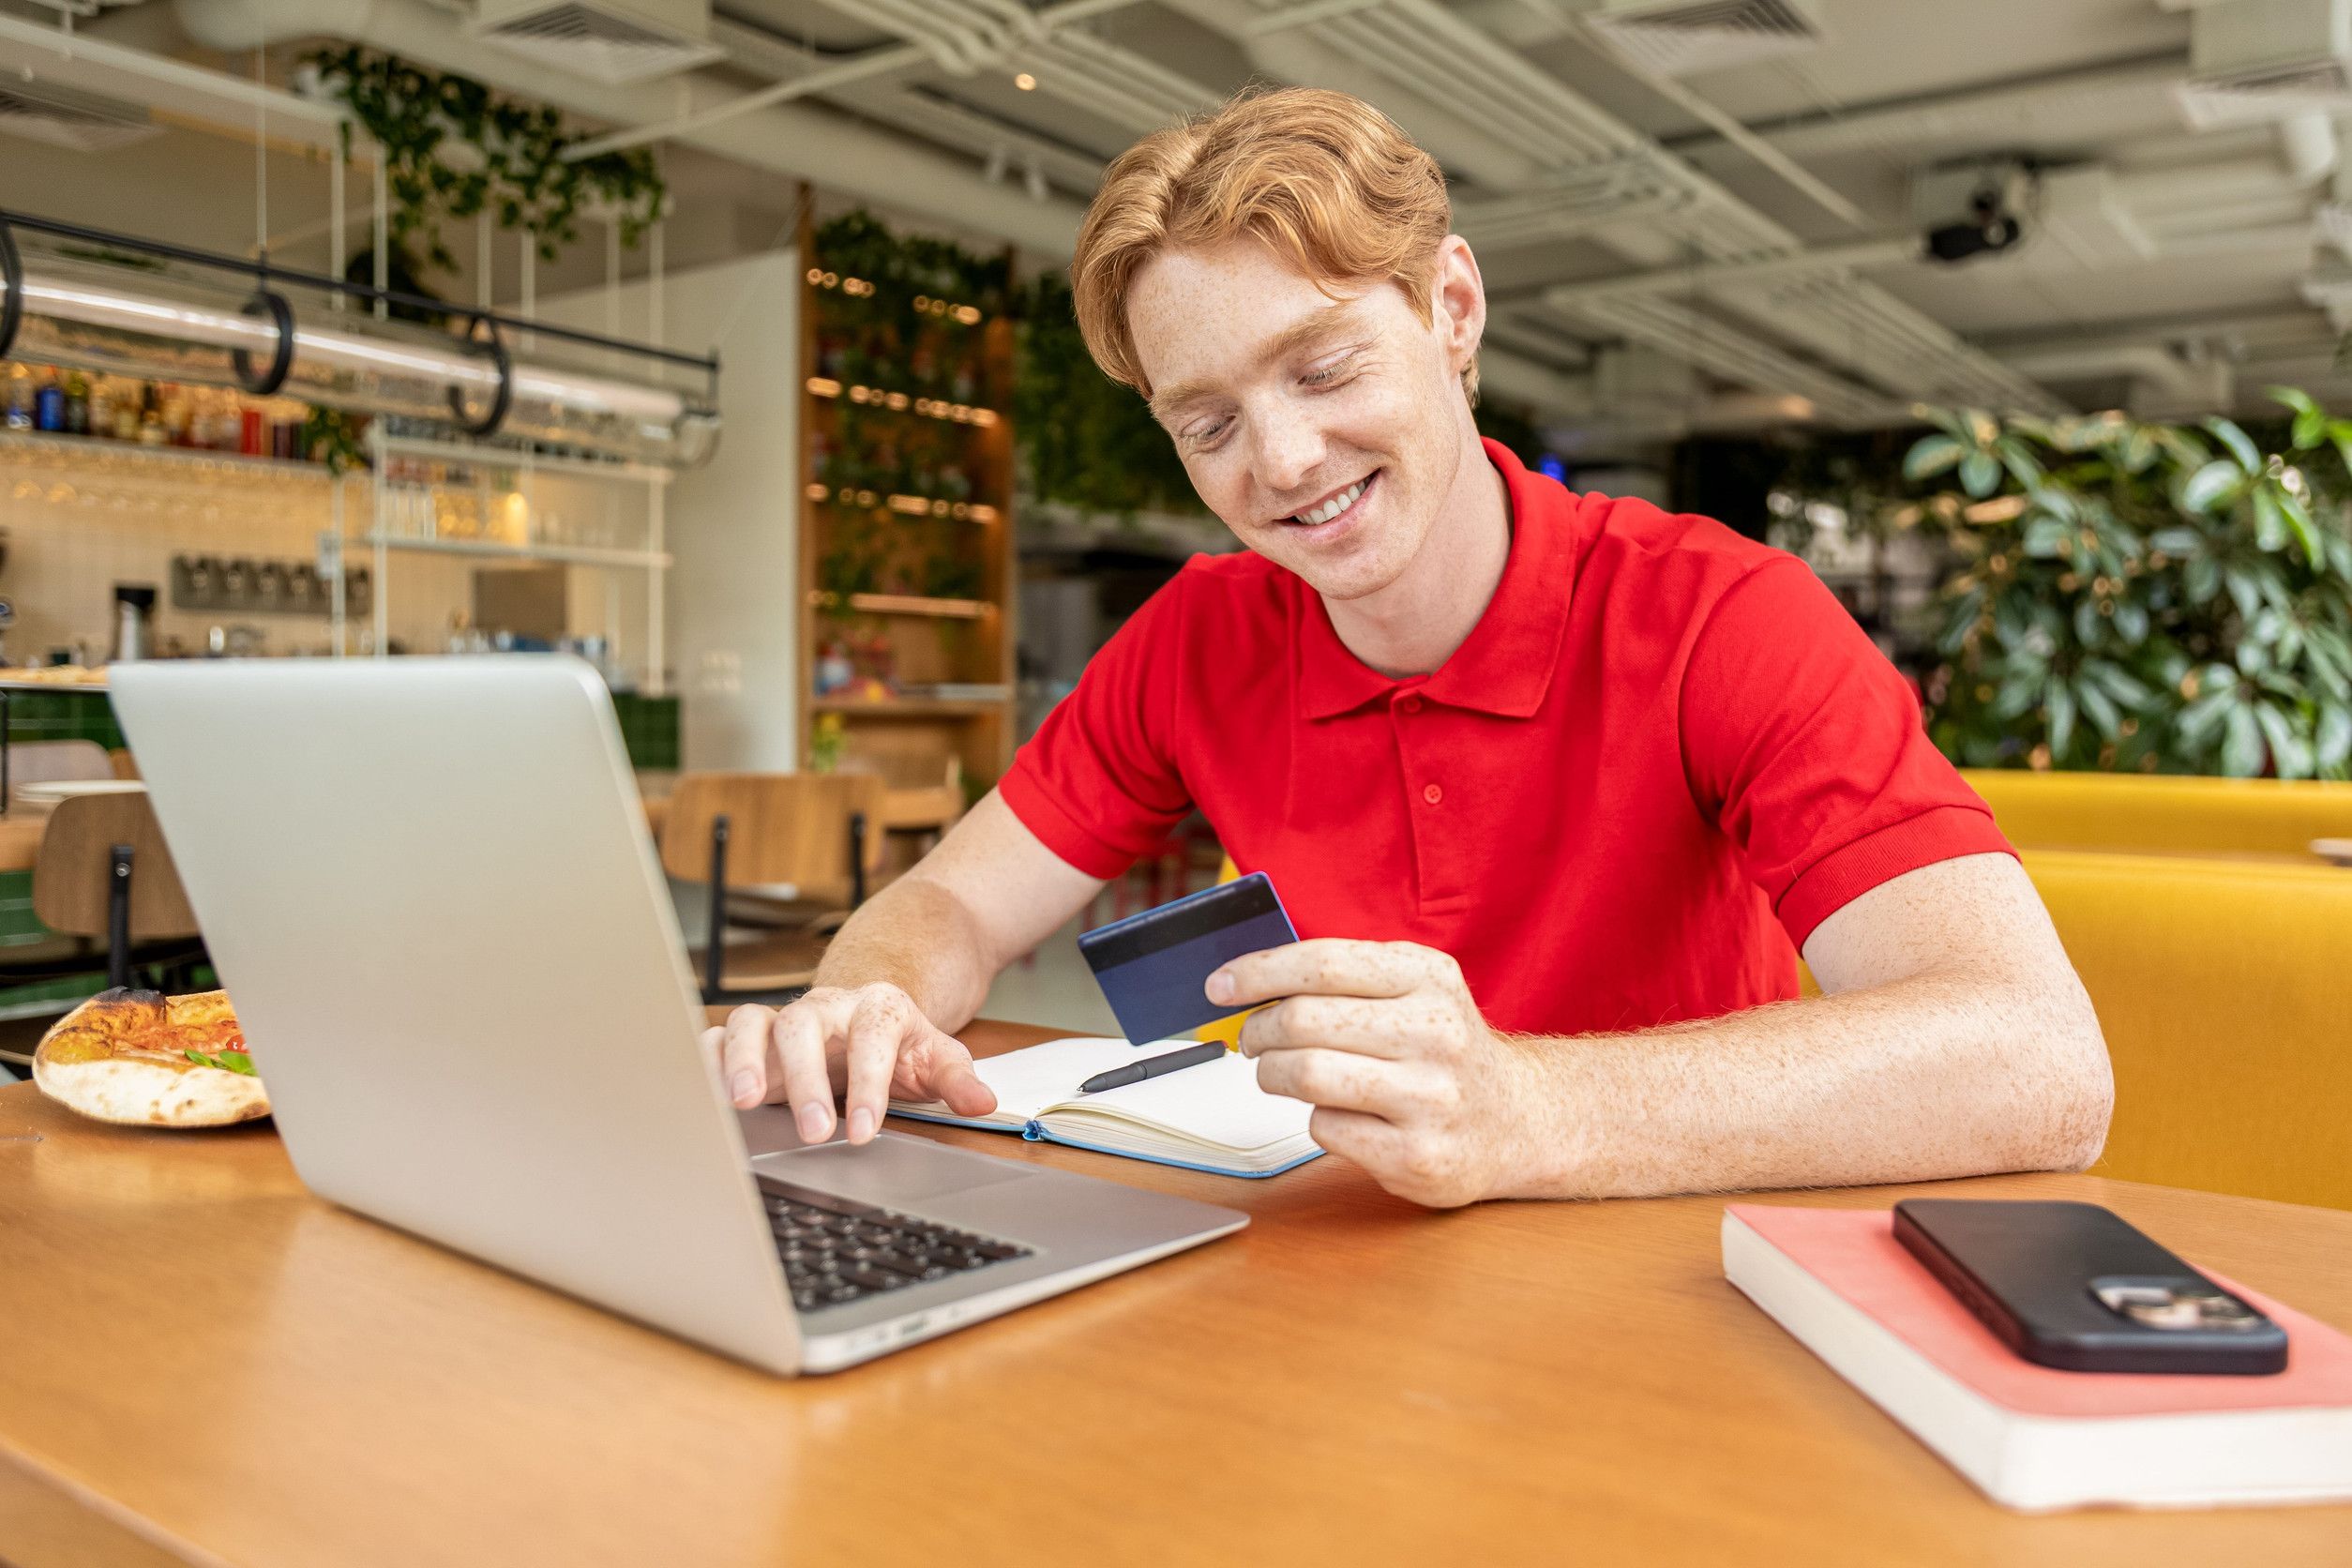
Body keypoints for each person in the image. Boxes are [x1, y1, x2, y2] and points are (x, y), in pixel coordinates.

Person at [709, 87, 2111, 1207]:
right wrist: (862, 1005)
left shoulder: (1719, 618)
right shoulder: (1200, 636)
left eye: (1322, 368)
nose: (1283, 459)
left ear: (1451, 310)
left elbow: (2035, 1060)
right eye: (1208, 423)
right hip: (1330, 1293)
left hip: (1658, 1294)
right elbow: (952, 908)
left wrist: (1529, 1107)